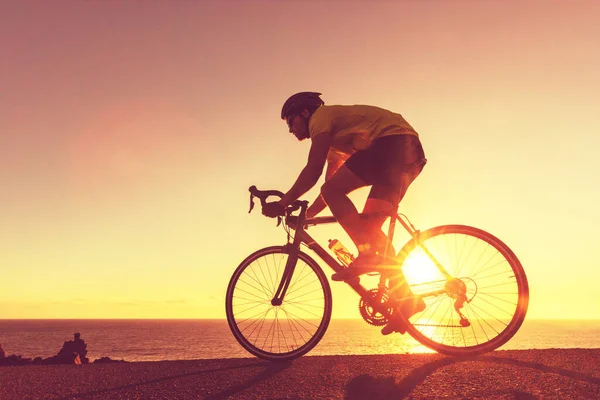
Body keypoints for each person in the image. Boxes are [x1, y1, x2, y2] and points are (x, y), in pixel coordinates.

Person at [262, 92, 426, 335]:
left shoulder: (321, 118)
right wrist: (308, 216)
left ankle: (365, 255)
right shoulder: (334, 145)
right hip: (408, 153)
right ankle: (407, 300)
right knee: (372, 232)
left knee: (366, 240)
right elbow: (328, 189)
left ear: (305, 113)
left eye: (290, 121)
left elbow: (313, 171)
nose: (289, 129)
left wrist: (284, 202)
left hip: (393, 143)